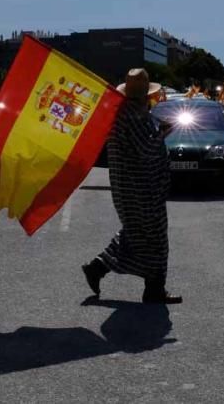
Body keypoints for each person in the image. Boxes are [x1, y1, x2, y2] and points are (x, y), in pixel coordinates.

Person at [82, 68, 181, 305]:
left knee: (137, 234)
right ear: (144, 95)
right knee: (154, 238)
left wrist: (158, 129)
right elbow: (145, 149)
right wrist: (163, 133)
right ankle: (153, 290)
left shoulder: (132, 113)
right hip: (139, 189)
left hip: (137, 188)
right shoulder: (130, 115)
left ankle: (99, 268)